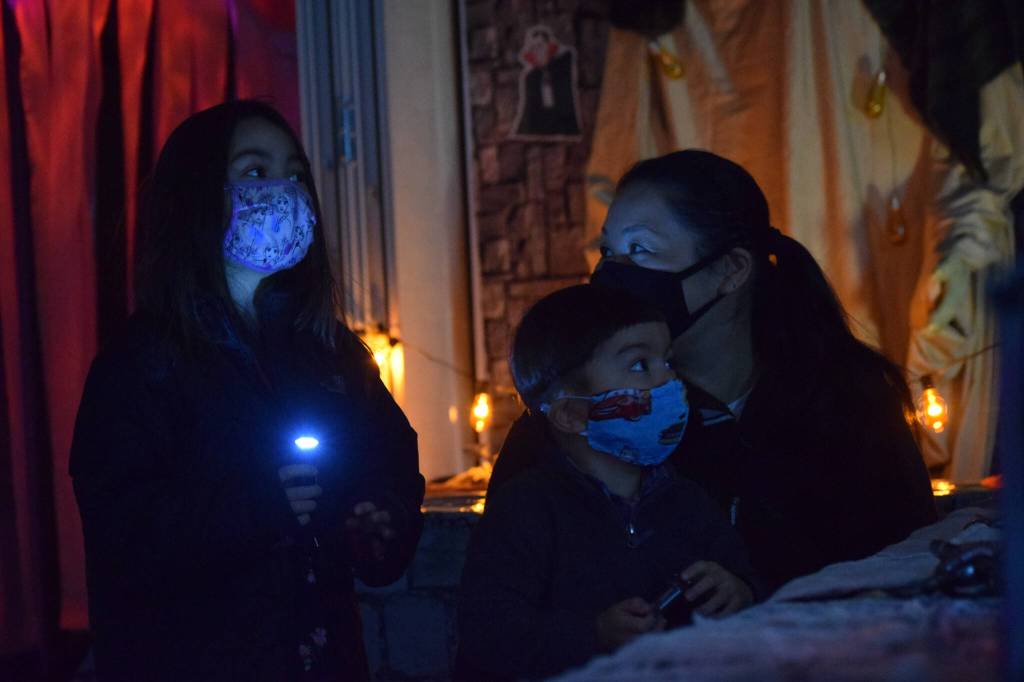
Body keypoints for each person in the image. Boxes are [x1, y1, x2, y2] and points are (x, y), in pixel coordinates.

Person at [70, 100, 424, 681]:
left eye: (295, 173)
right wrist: (257, 503)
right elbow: (122, 533)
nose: (282, 189)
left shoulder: (327, 349)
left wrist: (379, 518)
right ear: (198, 194)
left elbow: (388, 459)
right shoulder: (142, 365)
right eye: (255, 171)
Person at [489, 150, 937, 594]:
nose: (612, 273)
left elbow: (905, 572)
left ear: (731, 270)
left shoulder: (846, 404)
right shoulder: (576, 416)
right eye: (608, 250)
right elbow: (506, 612)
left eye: (640, 249)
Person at [456, 285, 759, 681]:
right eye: (639, 365)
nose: (669, 382)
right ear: (571, 415)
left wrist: (738, 590)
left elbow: (750, 581)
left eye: (666, 361)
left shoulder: (689, 501)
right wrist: (591, 635)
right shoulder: (525, 510)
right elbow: (488, 637)